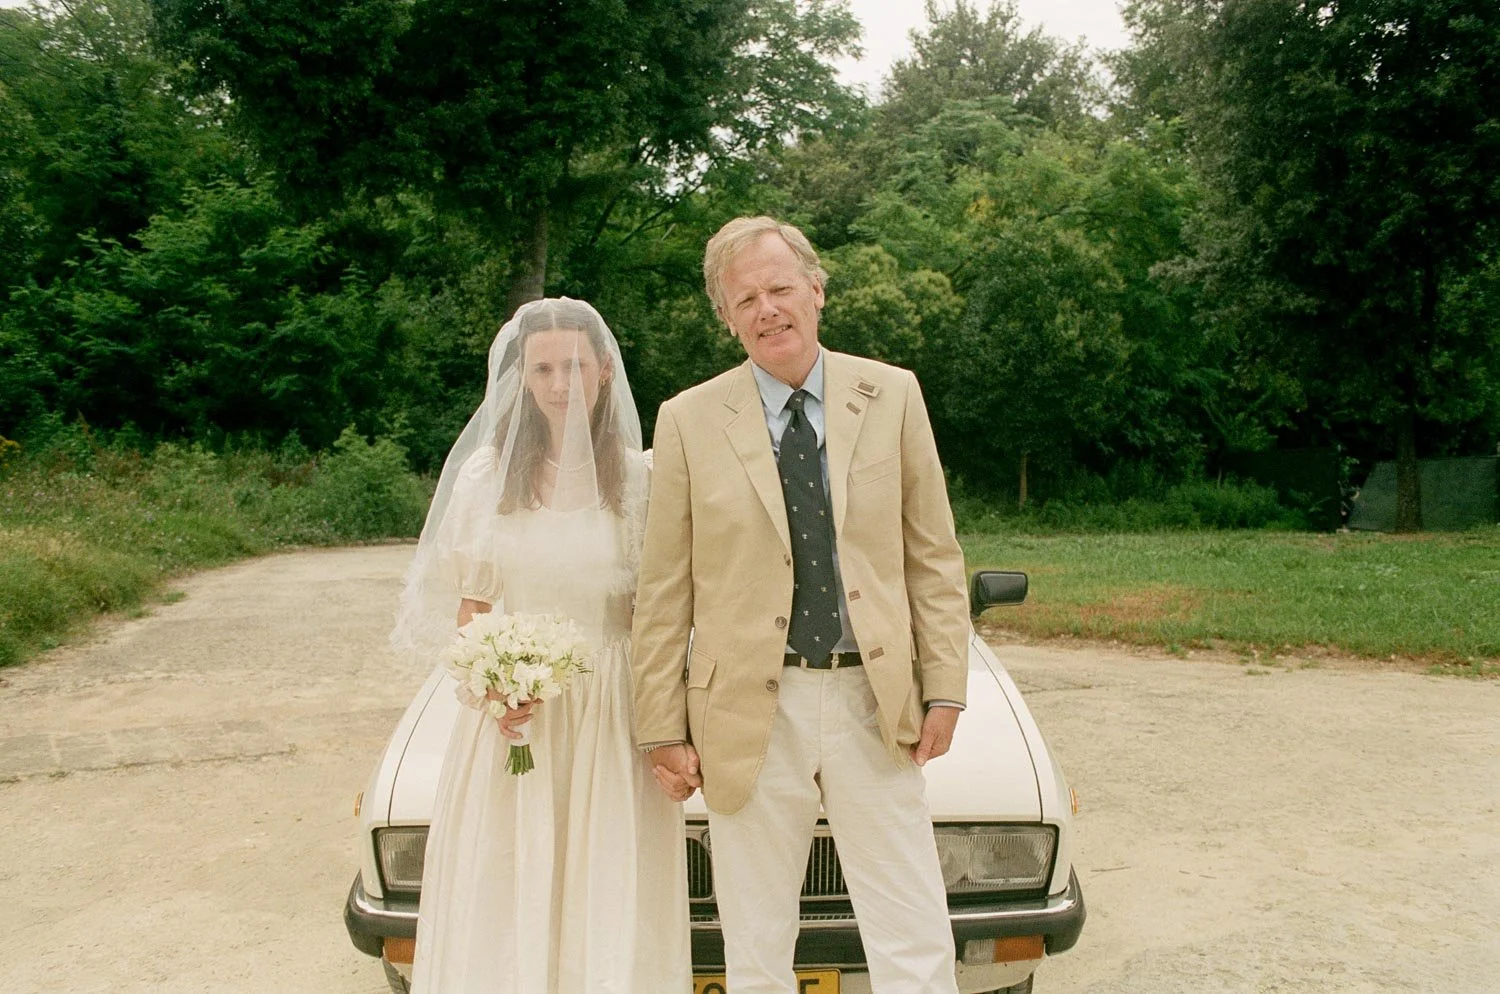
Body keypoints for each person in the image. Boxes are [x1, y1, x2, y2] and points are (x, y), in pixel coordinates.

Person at [631, 217, 972, 994]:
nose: (766, 308)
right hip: (749, 711)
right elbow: (663, 590)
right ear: (727, 317)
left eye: (780, 288)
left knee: (912, 930)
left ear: (816, 291)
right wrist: (659, 726)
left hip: (873, 701)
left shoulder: (892, 394)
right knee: (754, 944)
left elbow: (934, 555)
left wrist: (946, 685)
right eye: (744, 297)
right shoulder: (687, 419)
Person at [391, 297, 691, 994]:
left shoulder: (640, 481)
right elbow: (474, 606)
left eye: (576, 365)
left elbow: (656, 613)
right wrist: (491, 687)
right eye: (545, 368)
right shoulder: (488, 478)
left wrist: (665, 720)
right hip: (515, 719)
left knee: (607, 877)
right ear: (521, 379)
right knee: (510, 878)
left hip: (613, 715)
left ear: (605, 370)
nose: (562, 383)